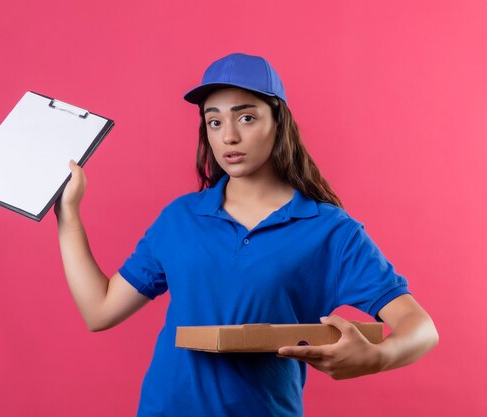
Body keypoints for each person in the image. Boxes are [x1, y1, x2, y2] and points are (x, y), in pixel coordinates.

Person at [55, 53, 439, 417]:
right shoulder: (180, 218)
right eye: (214, 121)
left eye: (247, 118)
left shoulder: (330, 230)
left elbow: (420, 328)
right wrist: (68, 214)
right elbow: (99, 311)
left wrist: (378, 357)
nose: (229, 138)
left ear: (279, 122)